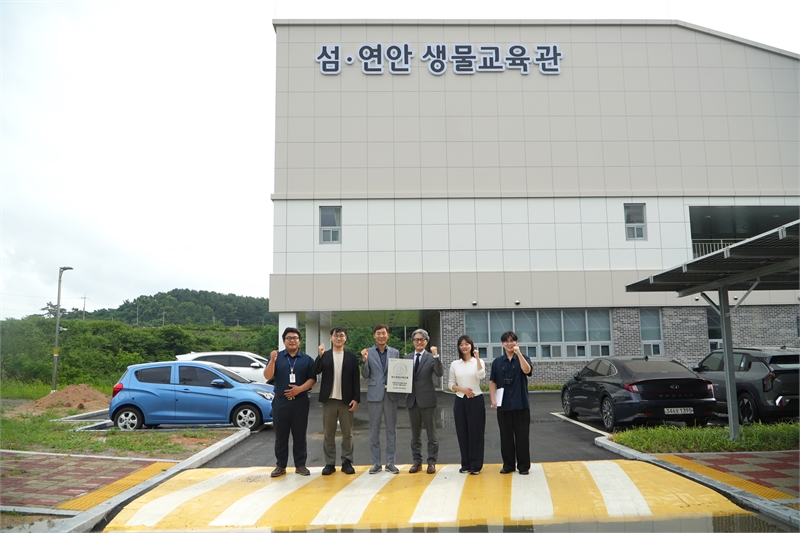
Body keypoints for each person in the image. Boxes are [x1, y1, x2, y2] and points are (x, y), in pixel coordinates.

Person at [264, 327, 316, 477]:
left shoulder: (307, 359)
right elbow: (268, 375)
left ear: (299, 341)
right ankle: (280, 466)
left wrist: (299, 389)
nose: (292, 340)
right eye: (289, 338)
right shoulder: (277, 357)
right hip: (280, 402)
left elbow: (312, 379)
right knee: (281, 436)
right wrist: (272, 361)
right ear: (284, 341)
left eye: (295, 338)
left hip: (300, 402)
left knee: (300, 434)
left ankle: (300, 465)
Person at [313, 327, 361, 476]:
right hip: (329, 400)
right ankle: (330, 463)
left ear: (345, 338)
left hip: (346, 400)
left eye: (341, 335)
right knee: (329, 433)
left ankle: (347, 461)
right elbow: (315, 371)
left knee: (348, 433)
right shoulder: (325, 355)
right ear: (331, 337)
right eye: (336, 335)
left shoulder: (351, 357)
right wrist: (319, 356)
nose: (339, 338)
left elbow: (356, 379)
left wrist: (356, 398)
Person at [489, 330, 533, 475]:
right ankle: (508, 465)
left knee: (522, 437)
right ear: (502, 344)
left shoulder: (524, 358)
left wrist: (519, 354)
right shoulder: (497, 362)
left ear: (516, 342)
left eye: (512, 341)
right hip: (503, 405)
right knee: (506, 436)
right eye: (506, 341)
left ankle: (523, 466)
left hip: (521, 404)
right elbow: (492, 381)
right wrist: (493, 399)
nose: (509, 344)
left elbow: (527, 371)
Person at [361, 324, 402, 474]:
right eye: (378, 333)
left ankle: (390, 462)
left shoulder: (395, 352)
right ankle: (376, 462)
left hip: (391, 394)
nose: (381, 336)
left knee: (391, 430)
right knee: (374, 430)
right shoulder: (368, 352)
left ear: (388, 335)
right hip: (375, 394)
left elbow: (399, 372)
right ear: (374, 335)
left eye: (383, 333)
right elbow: (365, 375)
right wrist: (364, 361)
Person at [405, 328, 443, 474]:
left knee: (431, 434)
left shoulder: (431, 357)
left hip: (428, 400)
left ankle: (432, 462)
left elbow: (439, 373)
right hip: (412, 400)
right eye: (416, 339)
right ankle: (417, 461)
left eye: (422, 339)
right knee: (415, 435)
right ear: (413, 342)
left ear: (426, 341)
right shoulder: (407, 358)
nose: (419, 342)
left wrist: (436, 356)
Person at [448, 335, 486, 475]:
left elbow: (481, 375)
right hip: (460, 400)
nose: (464, 346)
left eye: (467, 344)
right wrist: (462, 389)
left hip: (476, 399)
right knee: (462, 432)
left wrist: (477, 358)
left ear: (471, 345)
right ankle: (465, 464)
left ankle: (476, 465)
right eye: (461, 344)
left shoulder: (478, 361)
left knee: (476, 433)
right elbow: (450, 384)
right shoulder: (455, 364)